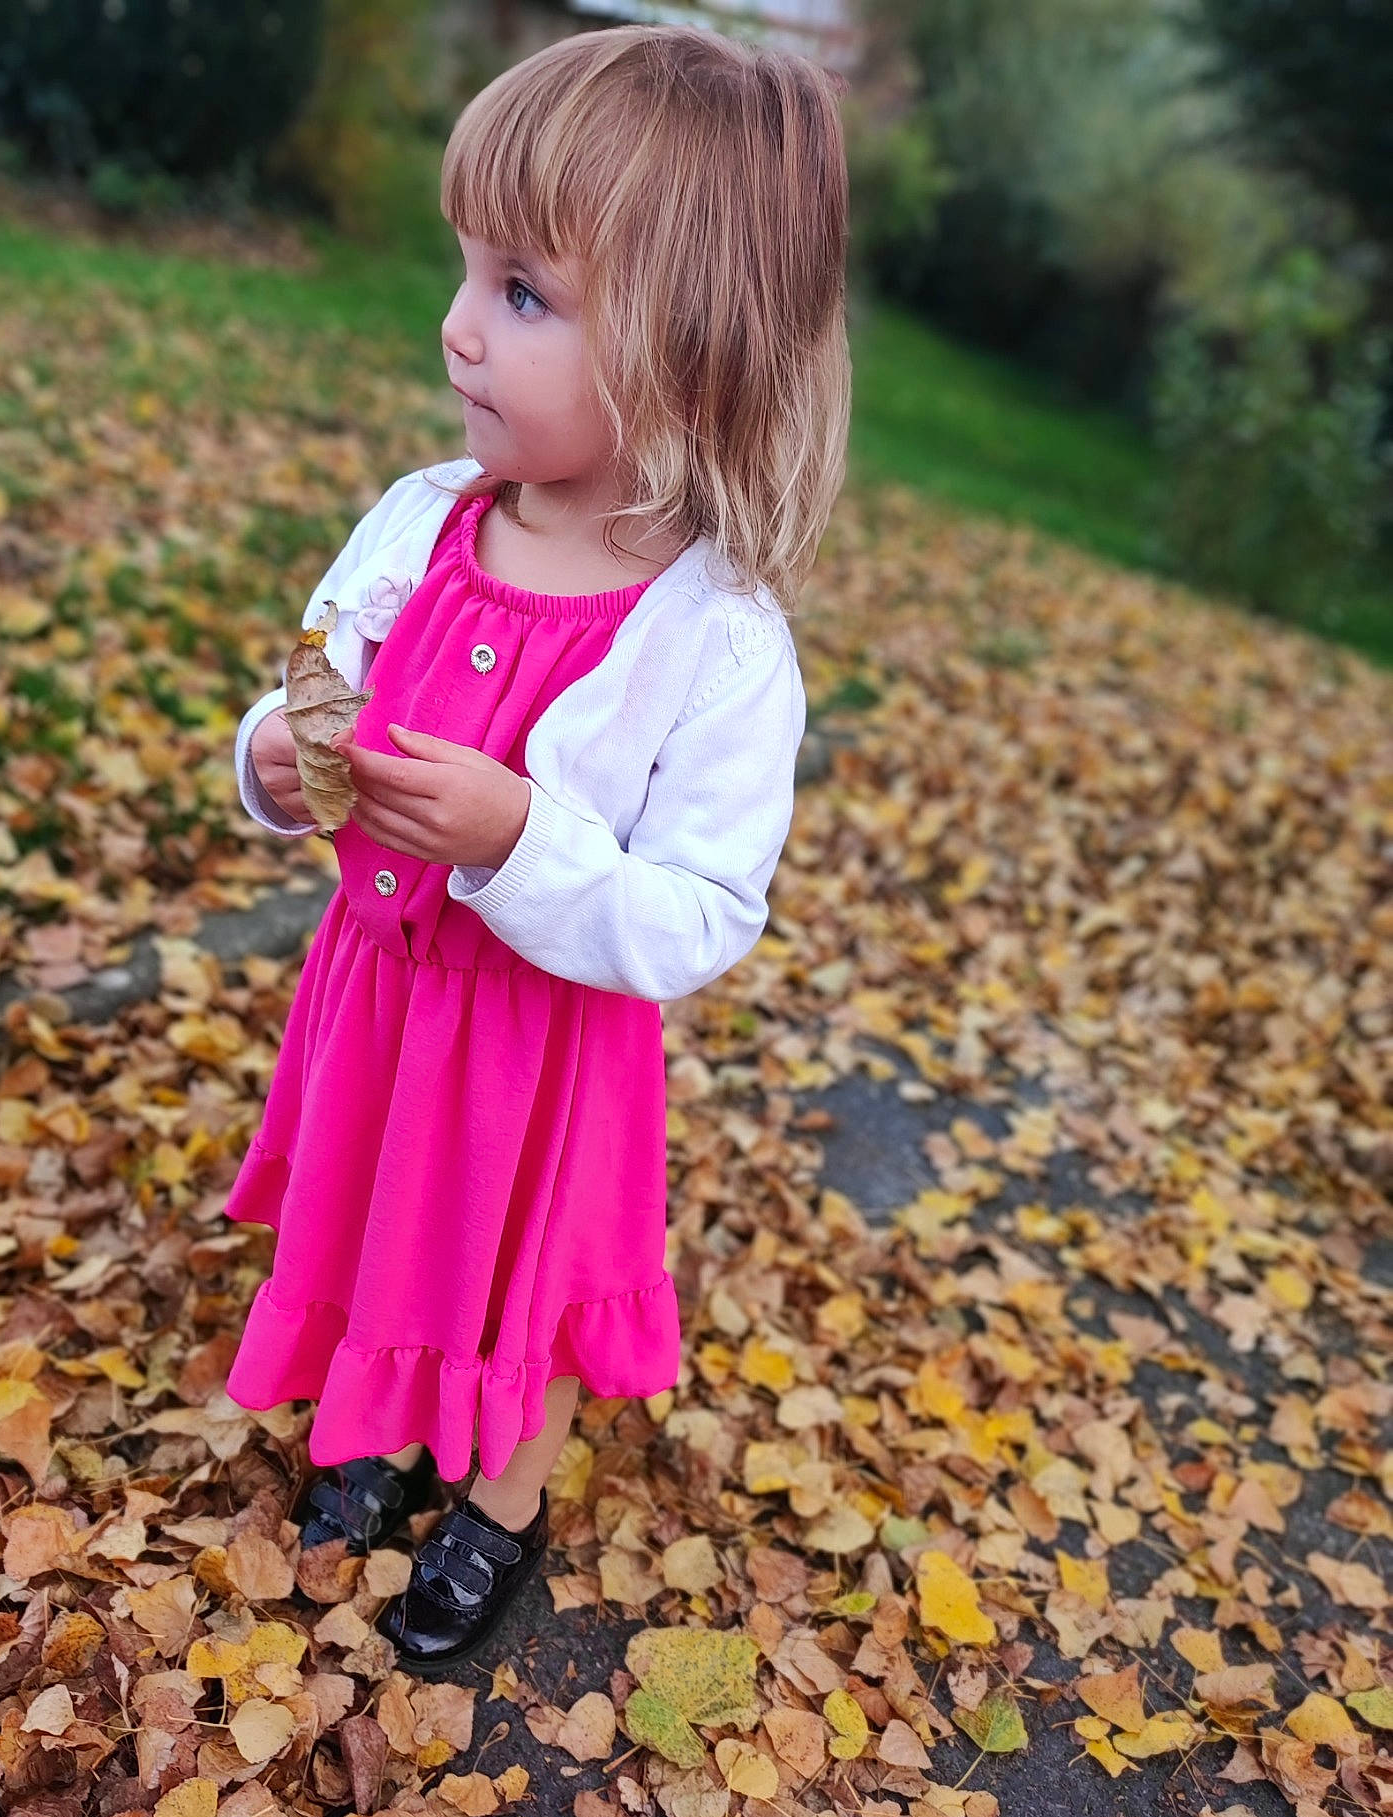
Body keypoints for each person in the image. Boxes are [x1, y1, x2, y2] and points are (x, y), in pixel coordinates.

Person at [224, 22, 850, 1674]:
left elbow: (702, 908)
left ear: (691, 352)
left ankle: (499, 1506)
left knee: (519, 1280)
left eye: (522, 294)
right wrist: (281, 757)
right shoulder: (423, 519)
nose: (456, 327)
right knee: (375, 1216)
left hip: (543, 1056)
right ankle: (373, 1427)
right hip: (381, 1000)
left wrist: (519, 843)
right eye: (467, 271)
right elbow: (323, 679)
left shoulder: (714, 641)